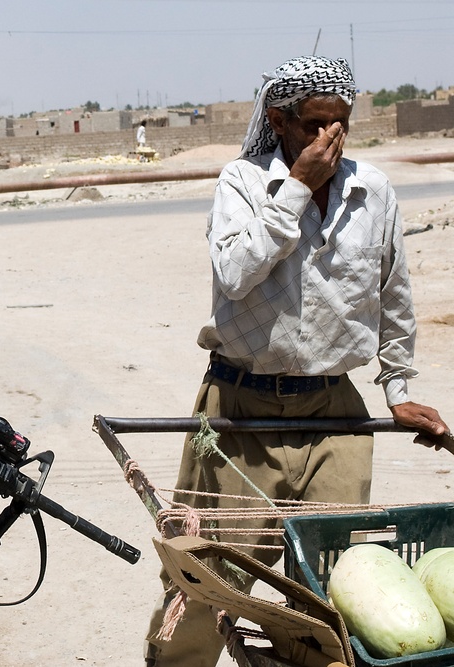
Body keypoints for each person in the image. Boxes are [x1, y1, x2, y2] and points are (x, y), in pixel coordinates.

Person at [143, 55, 451, 667]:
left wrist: (398, 389)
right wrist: (296, 191)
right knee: (212, 577)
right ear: (279, 121)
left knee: (330, 579)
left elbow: (394, 294)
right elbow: (234, 274)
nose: (329, 140)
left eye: (340, 124)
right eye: (314, 124)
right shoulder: (243, 183)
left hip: (334, 412)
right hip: (240, 408)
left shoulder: (374, 192)